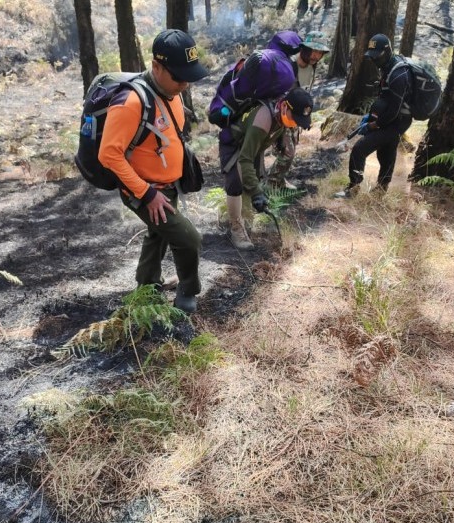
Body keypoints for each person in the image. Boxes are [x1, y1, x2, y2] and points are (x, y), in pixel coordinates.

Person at [98, 29, 208, 313]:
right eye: (179, 76)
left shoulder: (172, 93)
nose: (185, 84)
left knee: (158, 235)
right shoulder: (131, 102)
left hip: (167, 186)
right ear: (156, 67)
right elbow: (109, 154)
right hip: (143, 190)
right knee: (188, 238)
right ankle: (187, 290)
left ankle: (146, 288)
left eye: (188, 76)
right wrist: (147, 194)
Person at [219, 87, 314, 250]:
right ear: (285, 106)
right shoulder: (263, 120)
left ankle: (242, 221)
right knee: (236, 184)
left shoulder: (281, 116)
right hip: (233, 143)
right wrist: (257, 193)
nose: (295, 123)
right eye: (295, 118)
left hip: (253, 145)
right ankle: (235, 228)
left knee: (253, 179)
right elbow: (245, 158)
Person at [335, 33, 413, 198]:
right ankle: (381, 190)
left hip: (397, 121)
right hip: (391, 118)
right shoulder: (387, 68)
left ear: (386, 52)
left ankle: (353, 188)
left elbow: (393, 110)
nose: (374, 60)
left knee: (359, 149)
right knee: (386, 150)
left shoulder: (399, 75)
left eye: (377, 56)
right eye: (372, 56)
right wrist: (370, 117)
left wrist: (373, 125)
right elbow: (385, 99)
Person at [267, 32, 330, 191]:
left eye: (320, 53)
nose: (317, 56)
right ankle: (271, 182)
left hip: (295, 116)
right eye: (314, 51)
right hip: (282, 114)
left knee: (290, 149)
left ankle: (278, 179)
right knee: (288, 152)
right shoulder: (288, 65)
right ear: (304, 49)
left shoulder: (312, 67)